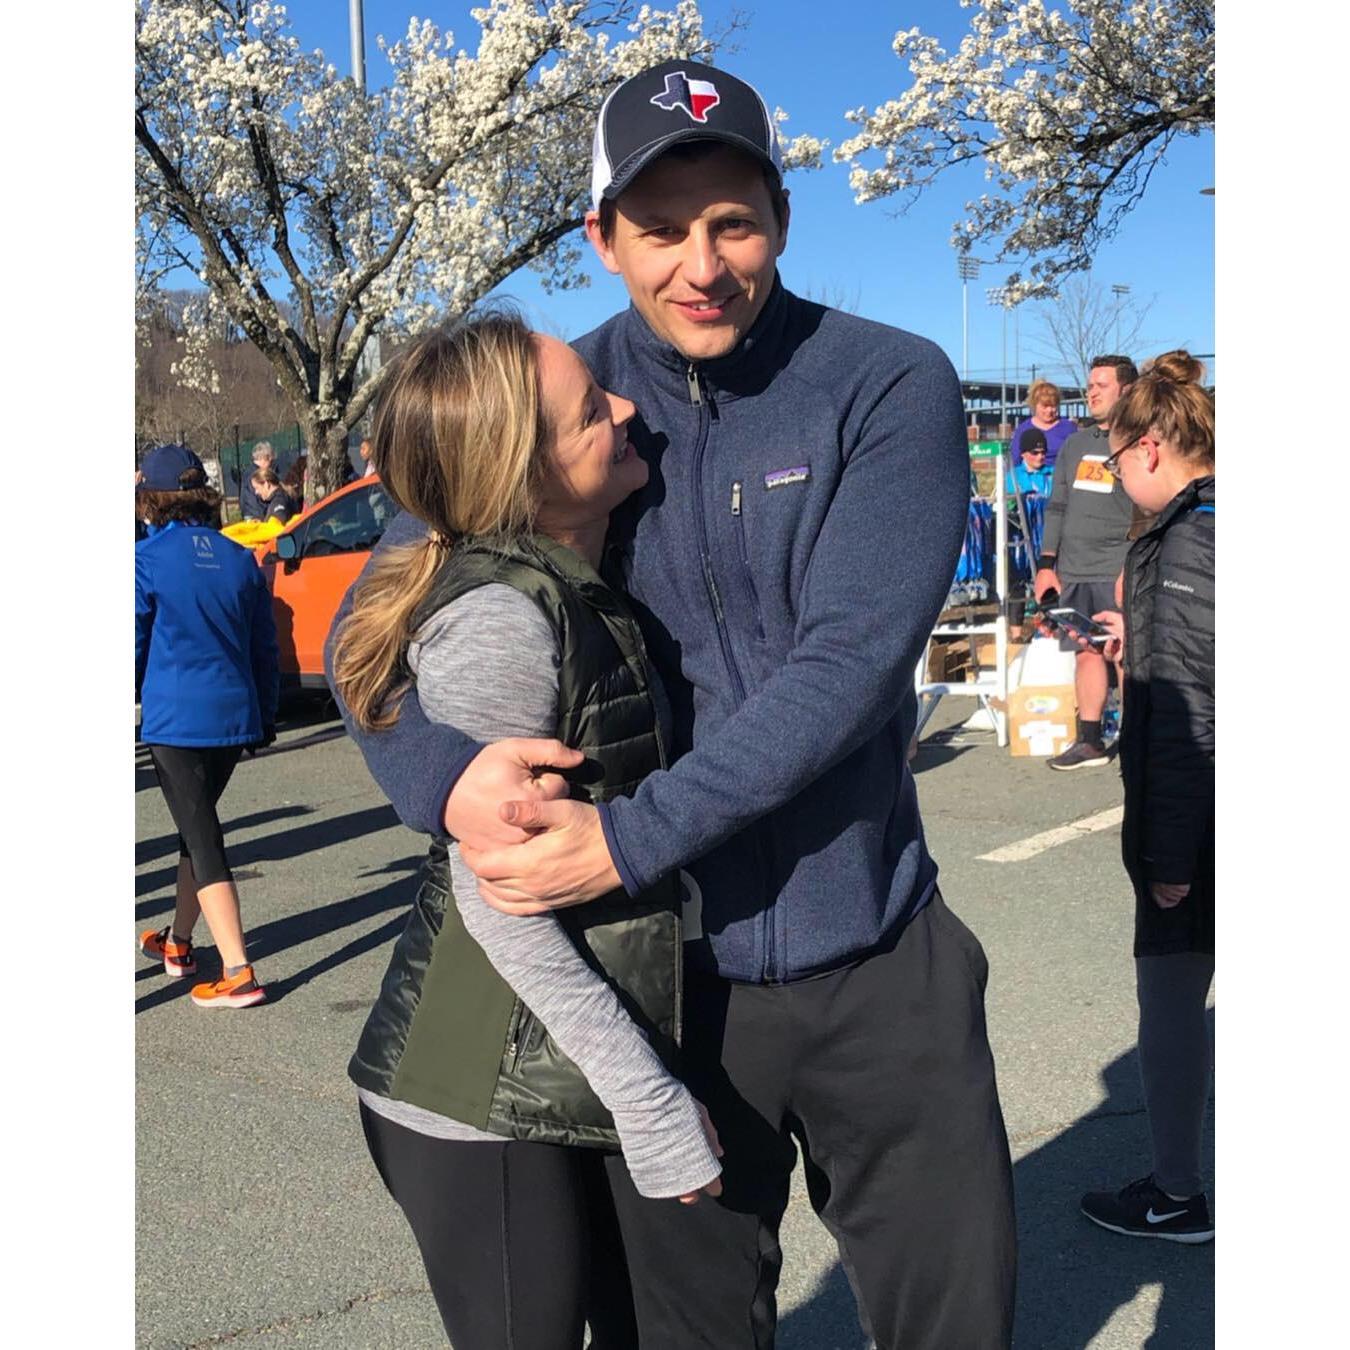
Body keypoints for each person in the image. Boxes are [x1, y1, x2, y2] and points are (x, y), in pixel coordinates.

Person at [327, 58, 1015, 1350]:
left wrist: (628, 832)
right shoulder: (540, 398)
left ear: (779, 221)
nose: (701, 263)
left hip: (875, 951)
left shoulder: (884, 379)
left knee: (956, 1321)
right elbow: (369, 633)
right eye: (658, 228)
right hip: (663, 983)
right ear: (601, 238)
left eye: (733, 221)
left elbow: (849, 662)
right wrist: (442, 779)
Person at [331, 313, 722, 1348]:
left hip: (541, 1065)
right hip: (471, 1088)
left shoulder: (564, 577)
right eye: (593, 411)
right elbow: (495, 894)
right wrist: (649, 1100)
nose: (628, 408)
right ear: (523, 476)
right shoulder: (504, 621)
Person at [1076, 351, 1214, 1243]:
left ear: (1155, 446)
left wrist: (1166, 856)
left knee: (1169, 1007)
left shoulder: (1188, 537)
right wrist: (1144, 635)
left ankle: (1175, 1191)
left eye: (1119, 459)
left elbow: (1189, 715)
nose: (1116, 475)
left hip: (1201, 829)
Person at [135, 444, 278, 1009]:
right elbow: (264, 647)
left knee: (203, 835)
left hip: (176, 716)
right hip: (233, 714)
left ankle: (239, 969)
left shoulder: (146, 559)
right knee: (194, 829)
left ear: (154, 499)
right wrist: (265, 715)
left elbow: (132, 641)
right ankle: (178, 942)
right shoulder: (239, 557)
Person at [1033, 354, 1139, 770]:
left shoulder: (1140, 441)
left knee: (1125, 654)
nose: (1091, 391)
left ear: (1126, 390)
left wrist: (1131, 568)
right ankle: (1090, 740)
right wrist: (1046, 564)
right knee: (1087, 653)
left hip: (1119, 567)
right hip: (1075, 568)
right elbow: (1057, 506)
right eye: (1089, 384)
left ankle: (1135, 740)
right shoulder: (1077, 443)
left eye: (1101, 384)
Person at [1011, 378, 1078, 468]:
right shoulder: (1023, 430)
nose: (1049, 410)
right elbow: (1015, 461)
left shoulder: (1068, 428)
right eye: (1045, 406)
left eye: (1053, 406)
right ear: (1035, 405)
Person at [1008, 426, 1054, 495]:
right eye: (1034, 453)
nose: (1040, 457)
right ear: (1023, 453)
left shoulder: (1054, 473)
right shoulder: (1013, 476)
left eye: (1043, 452)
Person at [238, 441, 277, 519]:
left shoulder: (248, 472)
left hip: (250, 513)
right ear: (265, 457)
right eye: (270, 460)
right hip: (257, 515)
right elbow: (256, 500)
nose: (271, 464)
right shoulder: (256, 475)